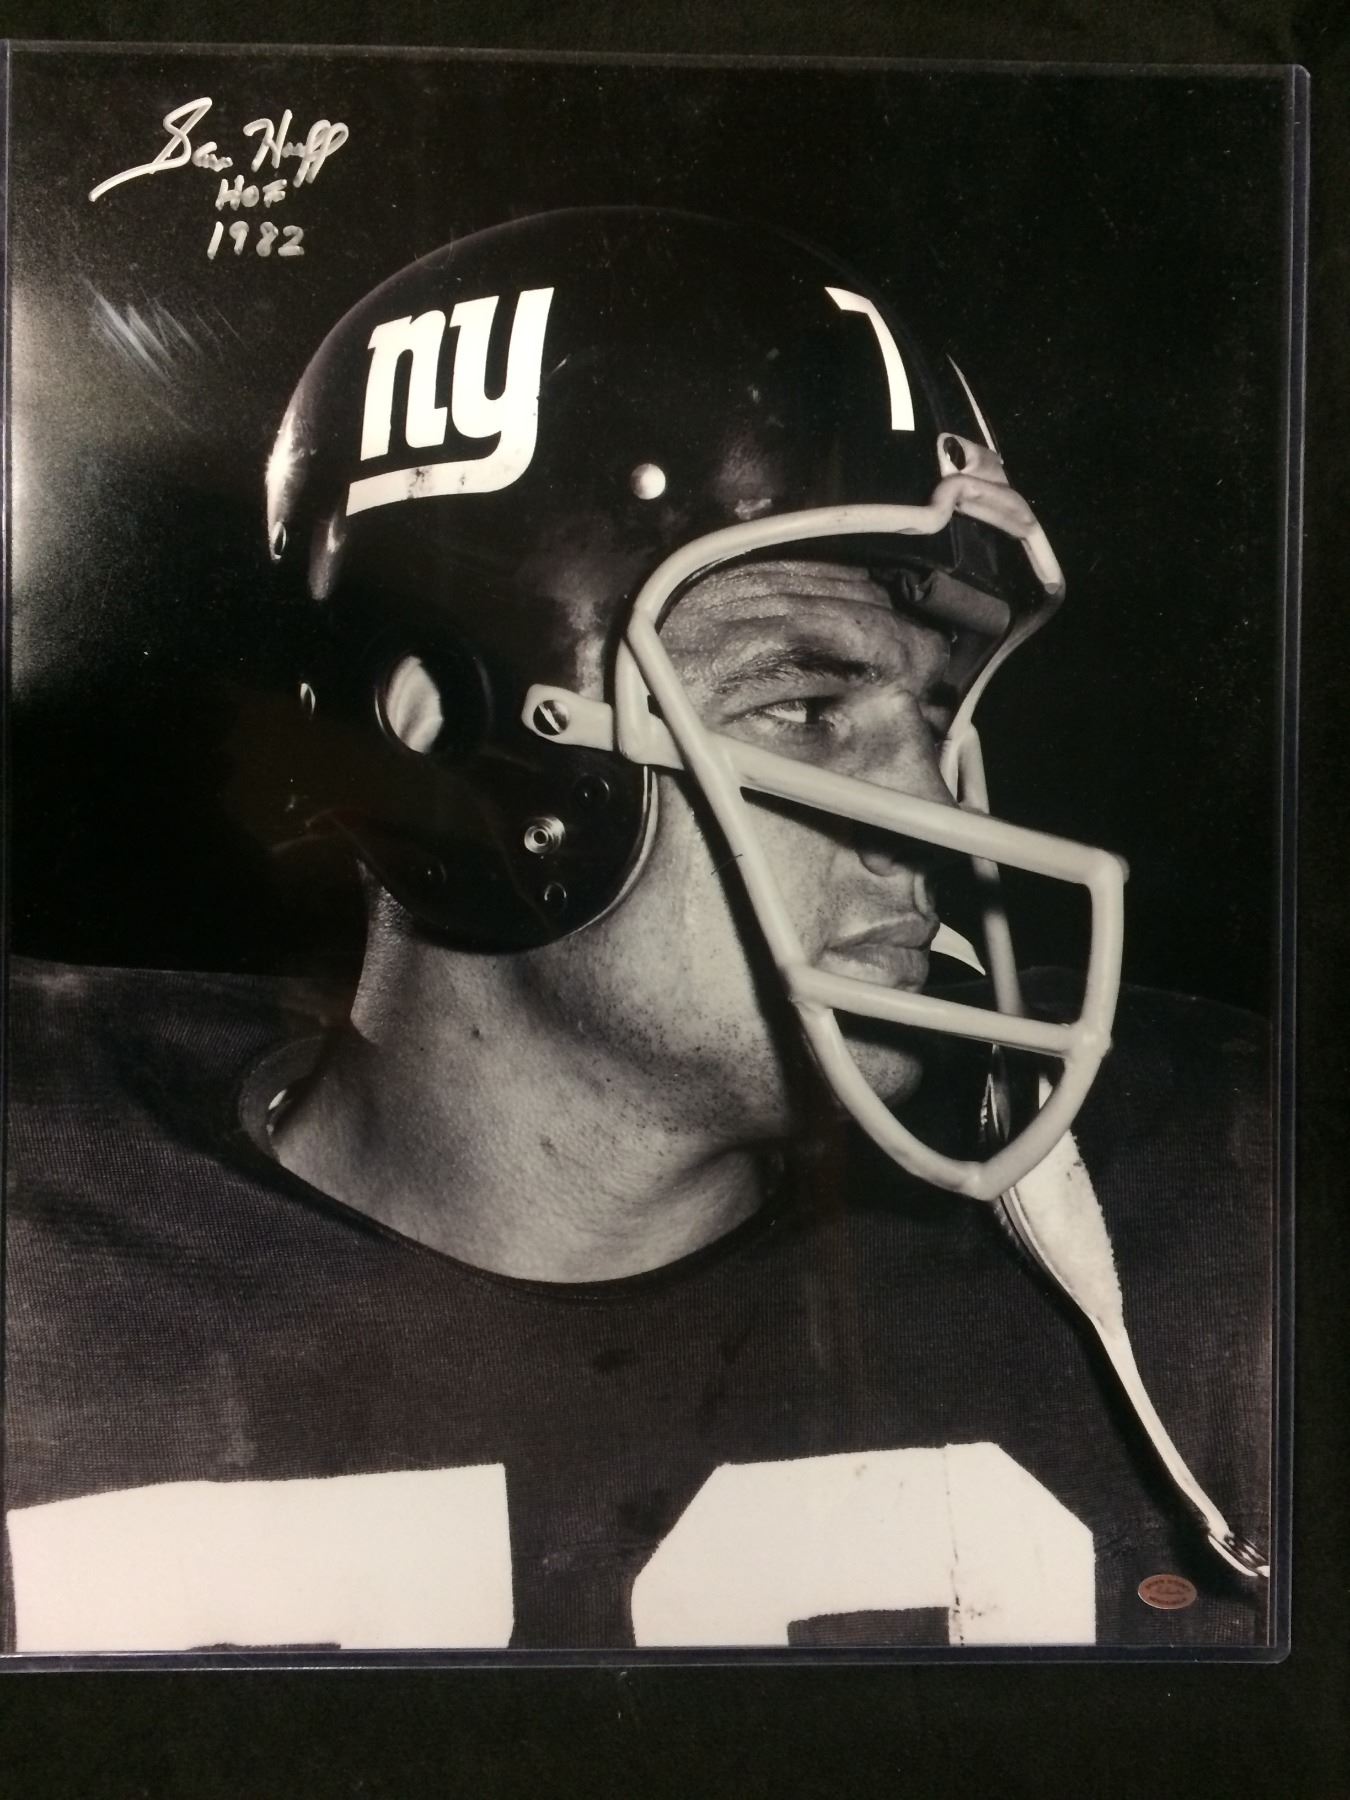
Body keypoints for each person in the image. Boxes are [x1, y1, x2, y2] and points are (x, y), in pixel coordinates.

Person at [3, 208, 1272, 1655]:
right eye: (804, 706)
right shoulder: (50, 1231)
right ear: (444, 751)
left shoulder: (1201, 1212)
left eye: (933, 713)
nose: (928, 814)